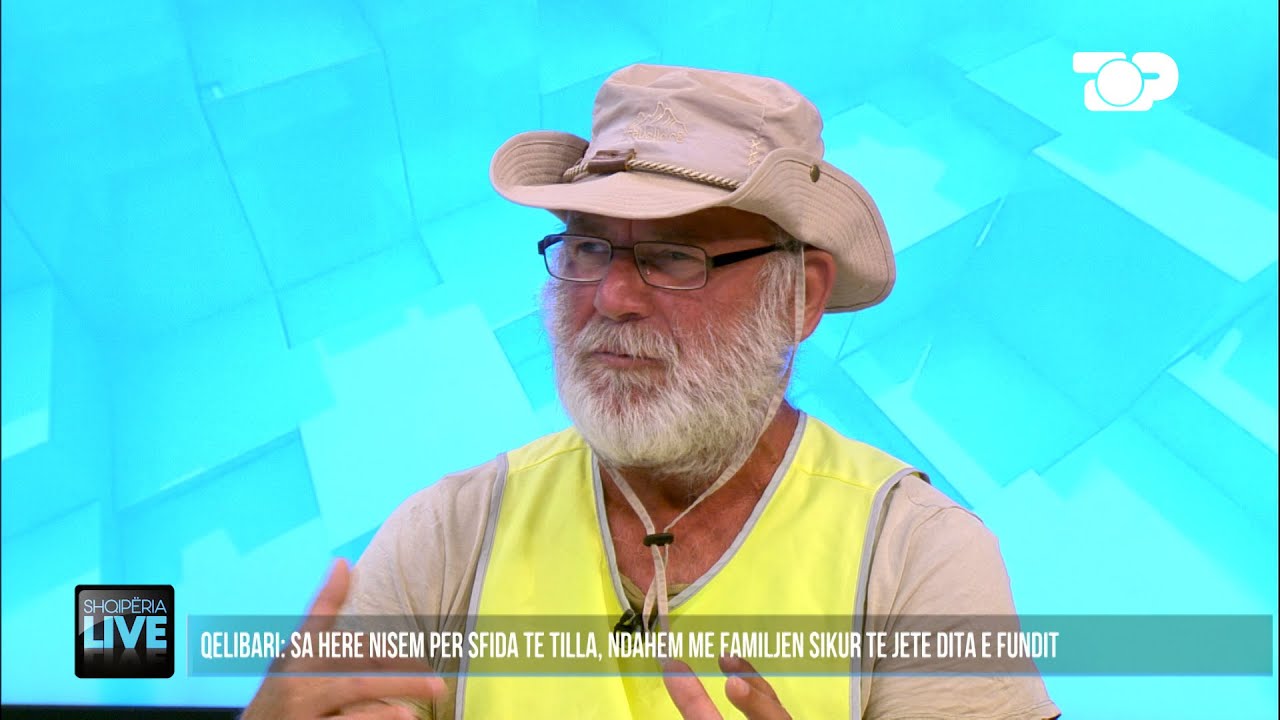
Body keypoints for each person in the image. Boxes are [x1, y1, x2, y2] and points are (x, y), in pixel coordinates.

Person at [244, 64, 1061, 719]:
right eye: (589, 248)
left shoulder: (917, 556)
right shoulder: (448, 535)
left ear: (800, 297)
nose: (612, 297)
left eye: (675, 256)